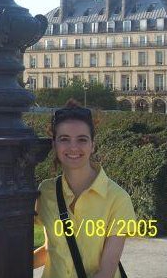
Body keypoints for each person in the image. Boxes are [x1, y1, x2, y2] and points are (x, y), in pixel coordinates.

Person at [34, 100, 136, 278]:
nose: (73, 147)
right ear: (54, 144)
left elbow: (106, 271)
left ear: (92, 145)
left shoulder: (117, 198)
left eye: (82, 139)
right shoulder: (46, 191)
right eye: (64, 139)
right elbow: (51, 248)